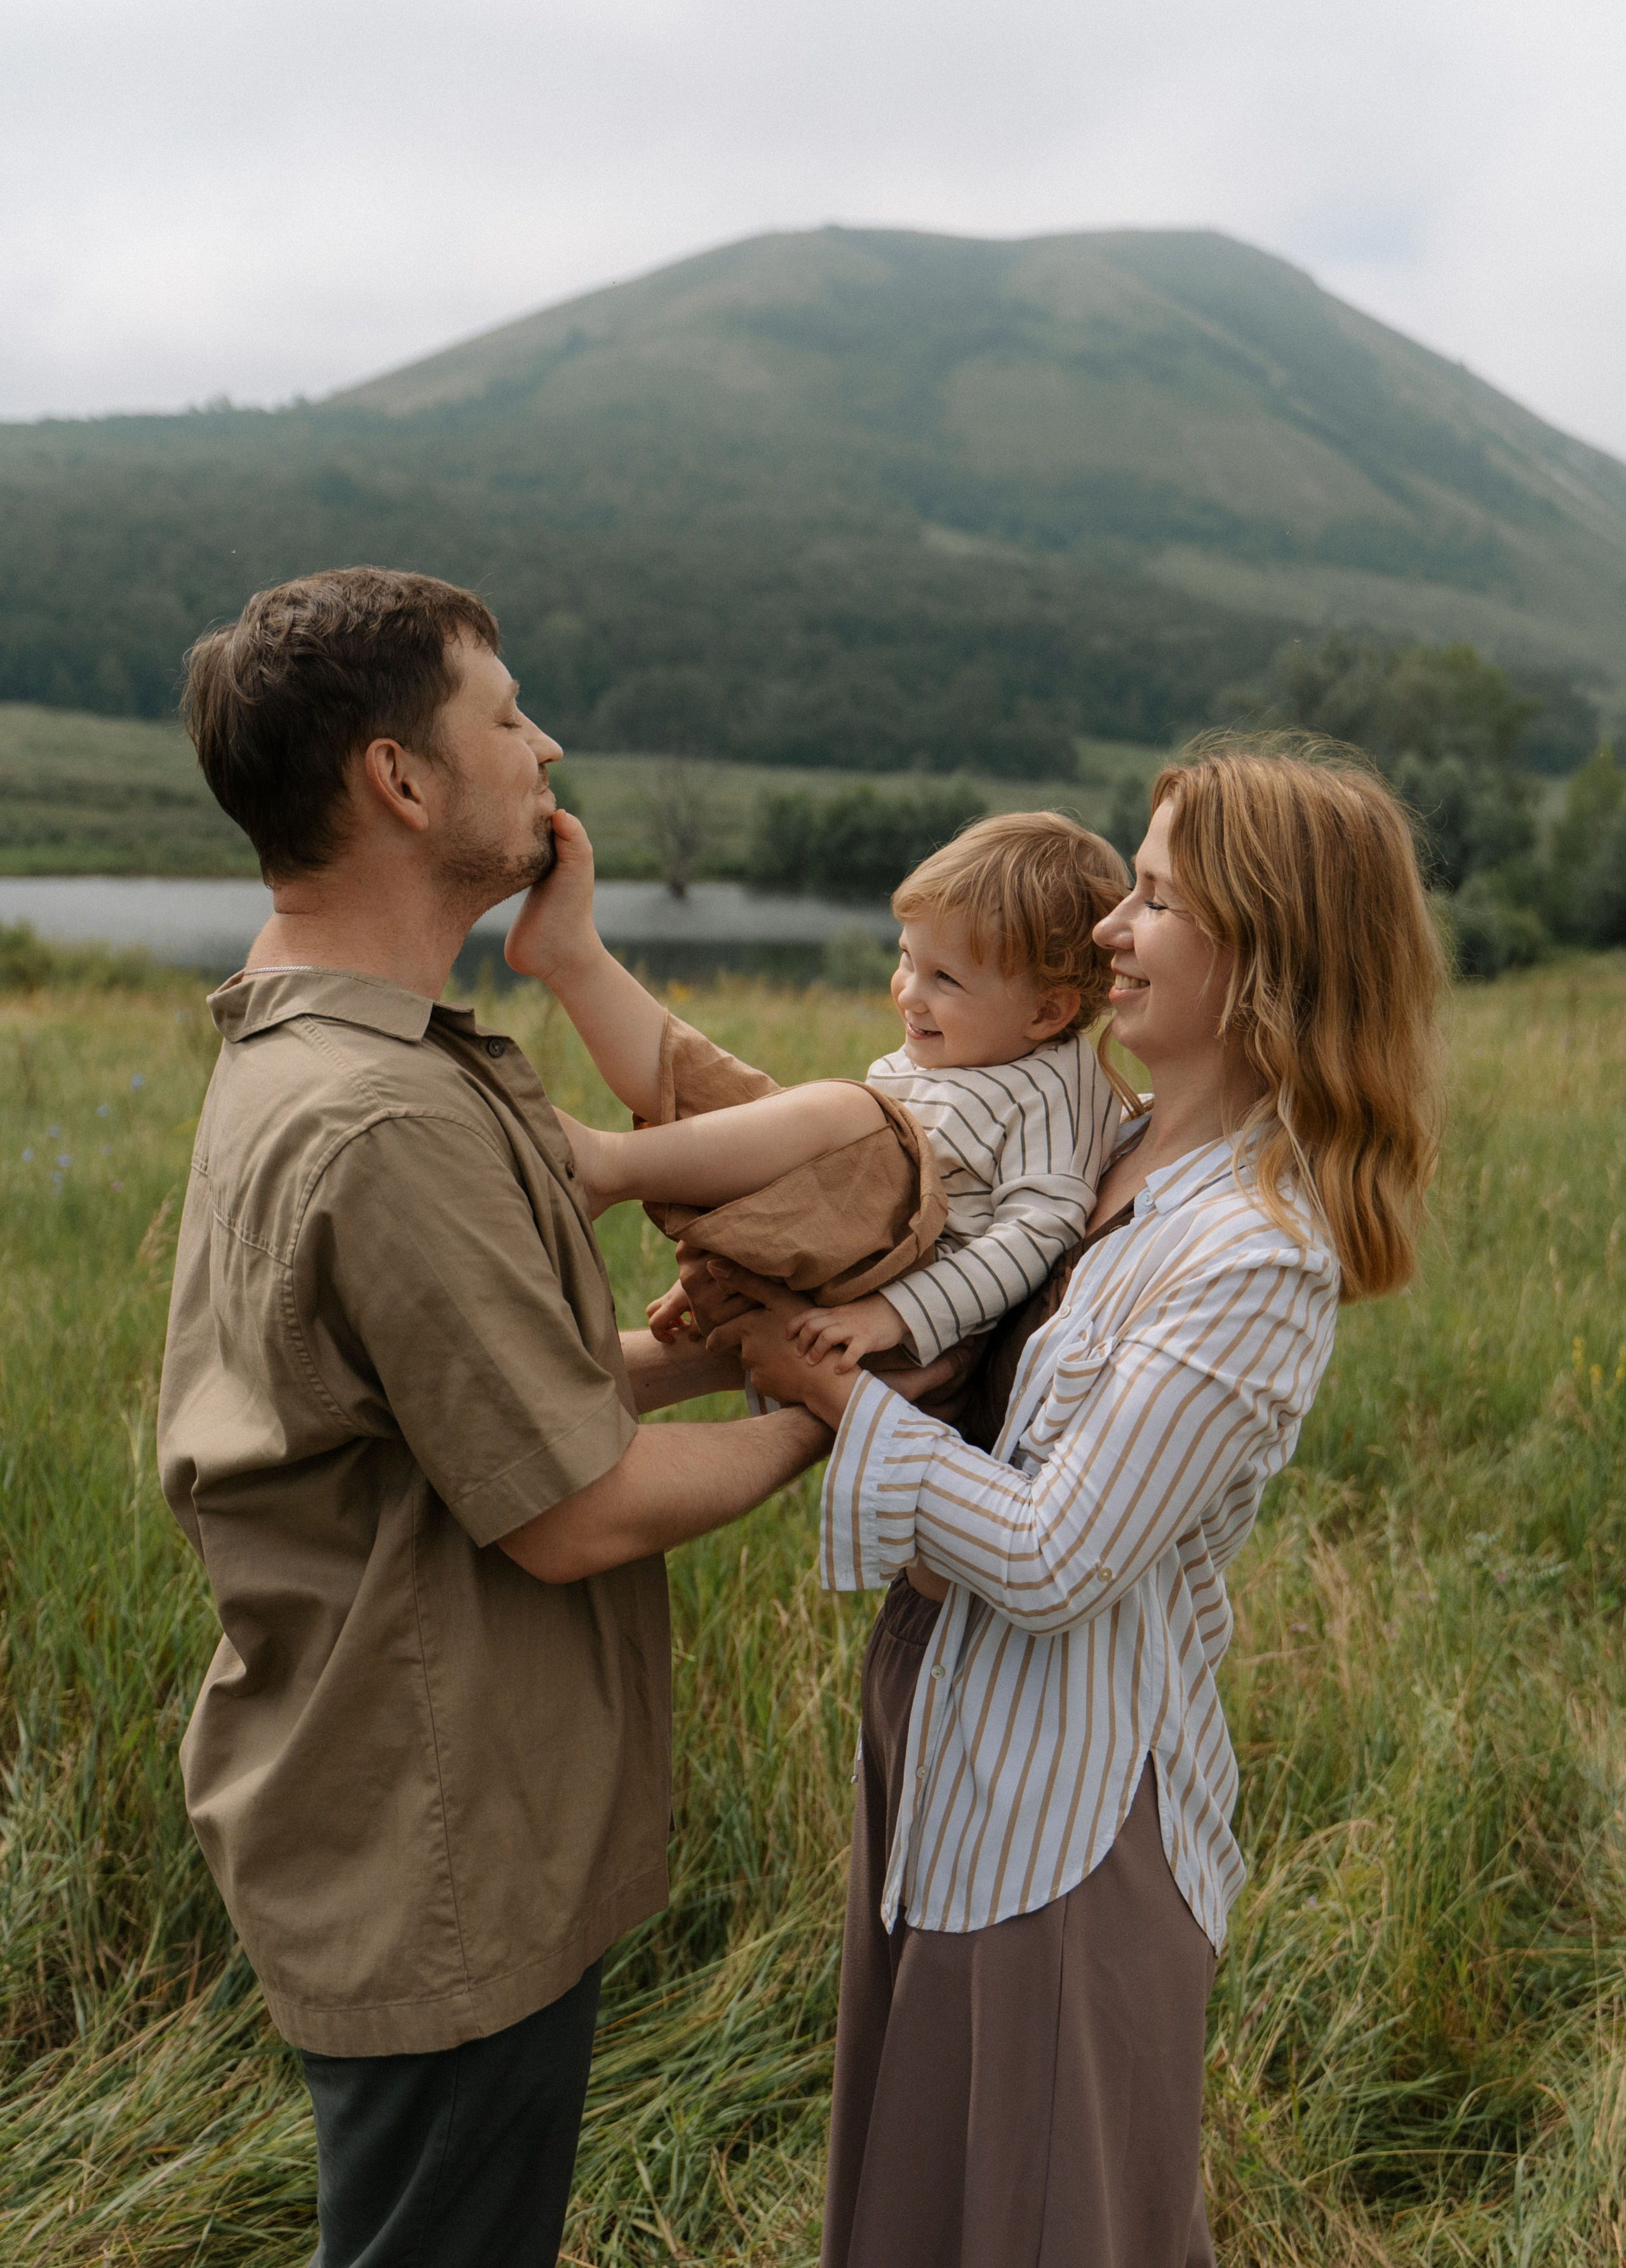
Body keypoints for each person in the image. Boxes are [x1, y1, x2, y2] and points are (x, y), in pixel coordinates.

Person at [156, 565, 864, 2268]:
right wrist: (826, 1421)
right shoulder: (386, 1114)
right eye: (505, 715)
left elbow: (481, 1411)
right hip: (437, 1843)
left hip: (424, 1825)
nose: (546, 747)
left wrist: (715, 1358)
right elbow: (573, 1506)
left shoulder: (330, 1056)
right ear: (400, 783)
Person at [704, 748, 1446, 2268]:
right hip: (937, 1754)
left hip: (1068, 1815)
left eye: (1157, 897)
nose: (1107, 923)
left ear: (1262, 955)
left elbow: (1051, 1555)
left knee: (1044, 2224)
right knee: (916, 2202)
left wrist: (836, 1398)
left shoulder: (1253, 1252)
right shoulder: (1095, 1154)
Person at [520, 813, 1132, 1377]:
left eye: (945, 978)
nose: (909, 994)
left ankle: (606, 1167)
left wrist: (895, 1314)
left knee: (845, 1113)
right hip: (861, 1263)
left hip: (916, 1317)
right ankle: (574, 961)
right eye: (906, 958)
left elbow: (1033, 1239)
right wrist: (740, 1254)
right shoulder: (968, 1052)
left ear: (1047, 1011)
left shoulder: (1055, 1091)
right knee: (748, 1107)